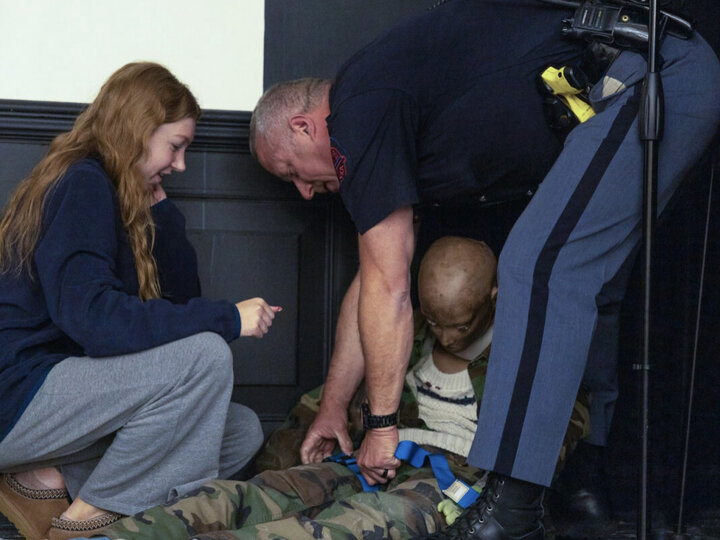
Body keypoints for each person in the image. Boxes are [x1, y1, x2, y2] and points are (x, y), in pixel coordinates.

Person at [248, 1, 720, 538]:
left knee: (539, 264)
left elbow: (388, 288)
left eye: (292, 171)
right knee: (589, 280)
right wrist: (333, 408)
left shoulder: (360, 107)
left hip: (654, 71)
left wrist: (381, 426)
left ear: (305, 125)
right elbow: (375, 277)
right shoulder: (380, 109)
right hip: (640, 81)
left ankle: (511, 513)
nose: (304, 191)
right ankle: (582, 474)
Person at [98, 235, 590, 539]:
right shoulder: (406, 332)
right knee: (256, 495)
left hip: (451, 484)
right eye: (433, 320)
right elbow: (324, 408)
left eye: (456, 325)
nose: (442, 335)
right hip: (374, 457)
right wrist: (297, 453)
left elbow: (557, 432)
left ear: (493, 298)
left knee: (337, 530)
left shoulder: (527, 354)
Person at [0, 62, 281, 540]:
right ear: (138, 130)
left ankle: (45, 481)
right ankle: (87, 523)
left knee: (239, 429)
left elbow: (180, 307)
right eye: (176, 146)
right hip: (18, 400)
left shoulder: (118, 194)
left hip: (61, 405)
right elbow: (94, 321)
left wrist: (162, 213)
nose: (181, 164)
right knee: (207, 357)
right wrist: (228, 318)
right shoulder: (83, 183)